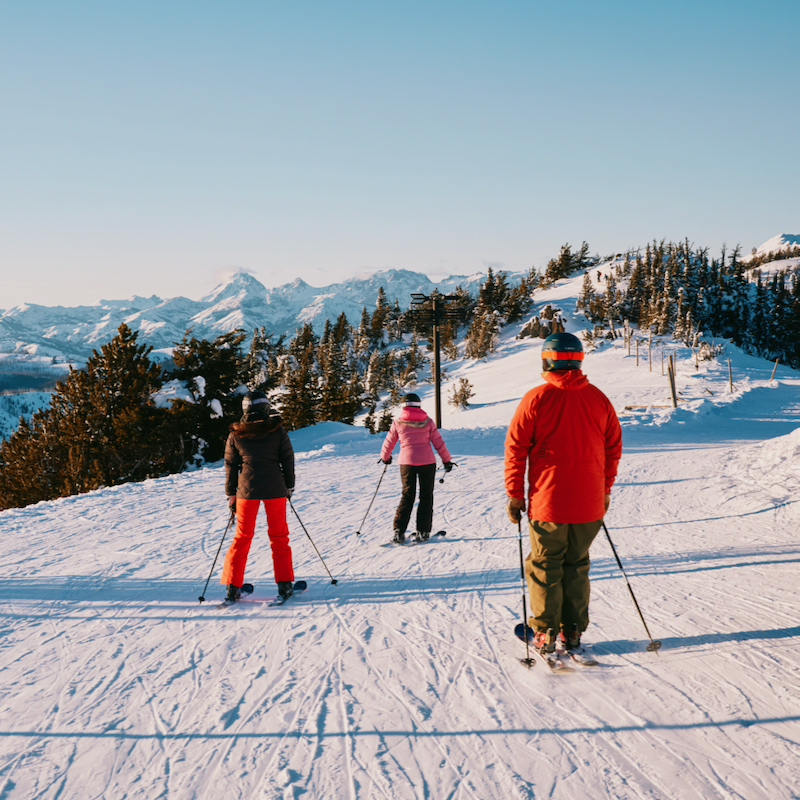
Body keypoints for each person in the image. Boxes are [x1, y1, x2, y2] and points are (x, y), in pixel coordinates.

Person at [504, 332, 622, 656]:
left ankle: (544, 632)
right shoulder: (599, 399)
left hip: (549, 503)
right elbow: (613, 449)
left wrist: (515, 495)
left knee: (545, 566)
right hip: (589, 504)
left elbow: (515, 449)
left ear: (547, 359)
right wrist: (605, 489)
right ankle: (572, 631)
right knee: (577, 564)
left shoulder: (536, 398)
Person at [221, 390, 296, 602]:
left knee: (242, 537)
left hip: (246, 491)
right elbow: (287, 460)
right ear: (266, 408)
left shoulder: (236, 434)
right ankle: (284, 586)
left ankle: (232, 587)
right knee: (279, 537)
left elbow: (231, 466)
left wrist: (231, 494)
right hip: (275, 490)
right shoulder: (277, 431)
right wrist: (289, 486)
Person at [380, 393, 455, 543]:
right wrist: (446, 460)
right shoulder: (428, 422)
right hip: (427, 462)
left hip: (407, 464)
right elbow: (438, 443)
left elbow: (389, 442)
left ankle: (399, 531)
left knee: (407, 496)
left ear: (403, 406)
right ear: (419, 405)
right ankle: (423, 531)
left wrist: (385, 457)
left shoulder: (398, 422)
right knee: (426, 496)